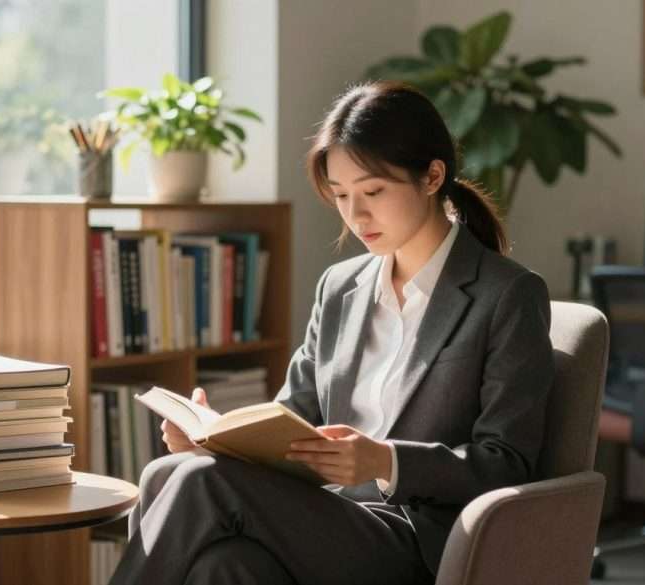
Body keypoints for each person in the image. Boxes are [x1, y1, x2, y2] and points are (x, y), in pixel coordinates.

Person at [109, 80, 555, 585]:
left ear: (433, 176)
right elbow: (291, 420)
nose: (356, 215)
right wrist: (216, 441)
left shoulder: (507, 295)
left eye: (373, 191)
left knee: (190, 483)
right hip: (323, 520)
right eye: (341, 195)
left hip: (415, 538)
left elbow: (508, 463)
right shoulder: (340, 287)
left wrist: (384, 461)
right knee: (210, 541)